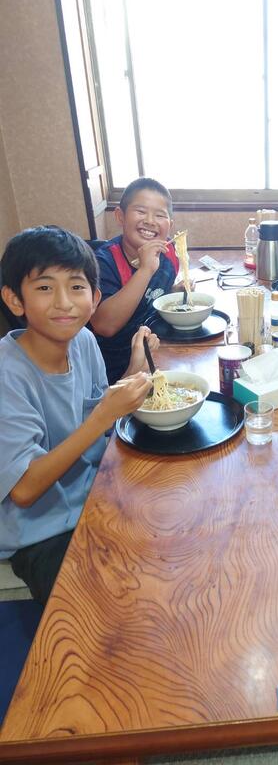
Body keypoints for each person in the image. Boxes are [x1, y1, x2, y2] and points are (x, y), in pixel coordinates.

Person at [0, 226, 155, 605]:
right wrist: (104, 415)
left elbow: (98, 415)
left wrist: (135, 368)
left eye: (76, 286)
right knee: (93, 613)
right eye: (44, 287)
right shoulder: (8, 374)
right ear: (14, 299)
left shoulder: (83, 341)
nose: (63, 302)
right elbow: (24, 490)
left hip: (93, 494)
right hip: (40, 533)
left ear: (94, 298)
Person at [91, 177, 185, 383]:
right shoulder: (104, 261)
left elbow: (153, 296)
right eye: (141, 211)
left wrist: (173, 292)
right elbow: (104, 325)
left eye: (160, 215)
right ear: (120, 216)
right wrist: (145, 270)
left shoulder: (169, 254)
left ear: (170, 225)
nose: (150, 221)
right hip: (110, 371)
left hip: (155, 352)